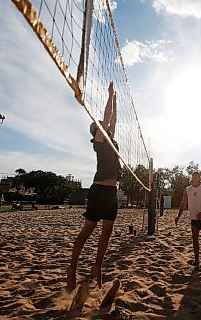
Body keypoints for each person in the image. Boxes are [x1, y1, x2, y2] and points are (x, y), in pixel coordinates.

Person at [67, 81, 120, 290]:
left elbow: (113, 119)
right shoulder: (98, 140)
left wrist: (115, 99)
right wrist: (108, 97)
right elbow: (107, 118)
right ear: (95, 131)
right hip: (99, 191)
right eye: (100, 125)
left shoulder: (110, 139)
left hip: (111, 192)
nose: (105, 126)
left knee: (107, 231)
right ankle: (72, 267)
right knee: (88, 231)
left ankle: (97, 267)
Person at [175, 171, 201, 271]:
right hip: (194, 216)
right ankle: (197, 260)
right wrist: (178, 216)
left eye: (197, 176)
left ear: (199, 178)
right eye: (194, 176)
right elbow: (183, 203)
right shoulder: (187, 189)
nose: (196, 177)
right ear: (192, 178)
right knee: (195, 238)